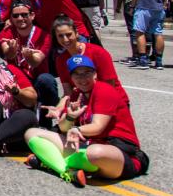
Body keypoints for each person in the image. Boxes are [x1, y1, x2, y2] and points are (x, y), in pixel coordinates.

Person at [25, 55, 149, 187]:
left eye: (87, 73)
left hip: (119, 154)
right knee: (31, 133)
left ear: (95, 74)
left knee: (95, 153)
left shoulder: (104, 90)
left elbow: (98, 127)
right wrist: (70, 117)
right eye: (77, 74)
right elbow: (63, 128)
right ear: (71, 78)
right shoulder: (76, 94)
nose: (82, 78)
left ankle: (52, 162)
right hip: (86, 148)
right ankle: (66, 171)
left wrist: (77, 129)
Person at [51, 16, 128, 105]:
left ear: (76, 33)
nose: (65, 39)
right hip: (83, 101)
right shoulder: (61, 60)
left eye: (68, 34)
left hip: (110, 100)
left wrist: (91, 107)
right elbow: (68, 92)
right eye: (60, 36)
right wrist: (59, 107)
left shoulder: (98, 53)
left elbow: (109, 86)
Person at [0, 1, 58, 109]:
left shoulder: (44, 36)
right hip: (18, 79)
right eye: (16, 16)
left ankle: (48, 112)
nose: (20, 18)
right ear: (11, 18)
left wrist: (29, 56)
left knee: (47, 79)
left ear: (32, 15)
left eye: (24, 14)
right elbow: (9, 55)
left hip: (38, 77)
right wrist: (11, 49)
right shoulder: (6, 33)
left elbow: (35, 62)